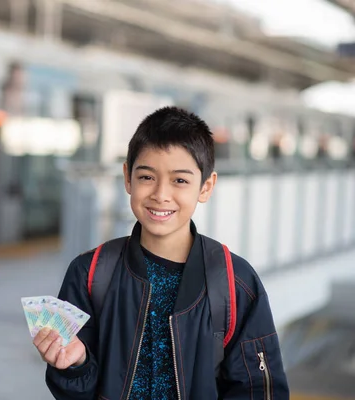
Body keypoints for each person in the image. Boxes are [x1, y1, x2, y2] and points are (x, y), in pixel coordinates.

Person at [33, 107, 289, 399]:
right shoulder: (90, 273)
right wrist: (75, 366)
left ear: (206, 187)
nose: (160, 194)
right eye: (147, 177)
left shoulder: (235, 282)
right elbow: (79, 390)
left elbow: (259, 390)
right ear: (128, 178)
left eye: (180, 180)